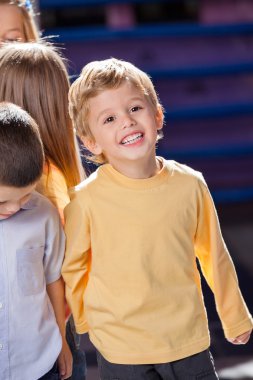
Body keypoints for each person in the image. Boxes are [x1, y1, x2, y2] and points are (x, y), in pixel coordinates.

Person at [62, 58, 253, 380]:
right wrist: (84, 320)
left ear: (157, 115)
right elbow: (74, 266)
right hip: (121, 347)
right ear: (90, 141)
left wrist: (235, 316)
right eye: (109, 118)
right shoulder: (85, 200)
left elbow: (214, 255)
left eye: (135, 109)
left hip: (186, 341)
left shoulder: (190, 185)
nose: (126, 122)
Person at [0, 42, 87, 379]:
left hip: (46, 330)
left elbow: (55, 267)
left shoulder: (44, 184)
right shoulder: (57, 172)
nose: (14, 208)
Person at [0, 102, 72, 380]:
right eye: (4, 200)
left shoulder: (44, 215)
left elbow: (54, 279)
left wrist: (62, 341)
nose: (15, 208)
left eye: (26, 196)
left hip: (38, 364)